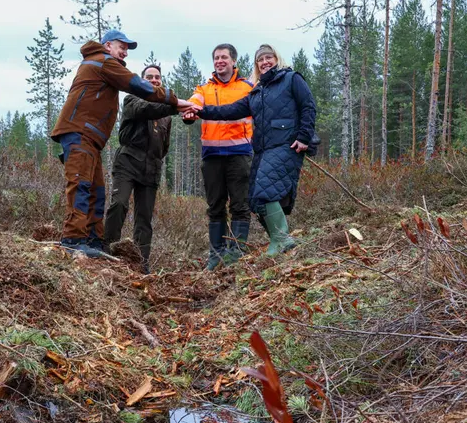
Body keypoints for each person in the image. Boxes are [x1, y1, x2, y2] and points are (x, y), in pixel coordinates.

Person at [51, 30, 196, 257]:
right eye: (122, 46)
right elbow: (136, 85)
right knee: (81, 186)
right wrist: (176, 102)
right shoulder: (103, 61)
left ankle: (93, 242)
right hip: (80, 133)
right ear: (108, 45)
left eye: (127, 48)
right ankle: (73, 239)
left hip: (91, 139)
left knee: (96, 191)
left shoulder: (103, 63)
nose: (125, 51)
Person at [186, 44, 316, 257]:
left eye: (268, 57)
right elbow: (230, 110)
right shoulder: (258, 90)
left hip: (286, 144)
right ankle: (279, 240)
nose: (264, 62)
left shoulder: (291, 79)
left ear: (277, 58)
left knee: (264, 191)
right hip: (264, 148)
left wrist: (304, 137)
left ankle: (282, 239)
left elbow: (308, 106)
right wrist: (201, 112)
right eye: (260, 59)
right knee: (255, 198)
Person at [103, 63, 178, 274]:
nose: (154, 80)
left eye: (158, 78)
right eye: (149, 77)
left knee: (144, 218)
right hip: (128, 162)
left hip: (151, 168)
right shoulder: (131, 99)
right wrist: (176, 105)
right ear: (142, 80)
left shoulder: (166, 116)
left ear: (161, 82)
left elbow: (165, 146)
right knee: (118, 204)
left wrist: (174, 108)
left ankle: (141, 262)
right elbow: (146, 109)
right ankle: (108, 249)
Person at [188, 44, 255, 270]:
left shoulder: (248, 87)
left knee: (240, 205)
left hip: (240, 155)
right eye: (216, 58)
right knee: (215, 206)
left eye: (224, 57)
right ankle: (216, 254)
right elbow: (193, 104)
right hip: (212, 156)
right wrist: (189, 113)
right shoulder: (204, 89)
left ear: (234, 61)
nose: (220, 61)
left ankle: (236, 254)